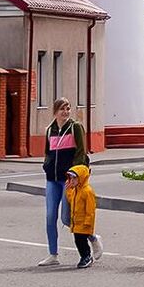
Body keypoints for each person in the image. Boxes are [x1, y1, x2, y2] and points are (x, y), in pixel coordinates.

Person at [40, 98, 87, 267]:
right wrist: (47, 165)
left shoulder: (75, 127)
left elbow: (81, 153)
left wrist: (74, 174)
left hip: (68, 180)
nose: (66, 112)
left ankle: (93, 237)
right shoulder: (49, 130)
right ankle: (53, 254)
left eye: (68, 108)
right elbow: (48, 153)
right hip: (52, 179)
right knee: (50, 216)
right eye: (62, 109)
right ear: (55, 112)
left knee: (67, 218)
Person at [63, 164, 102, 268]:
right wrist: (68, 189)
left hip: (84, 222)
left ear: (81, 177)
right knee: (78, 241)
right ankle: (84, 256)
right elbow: (71, 199)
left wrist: (88, 222)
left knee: (81, 241)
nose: (72, 180)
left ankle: (86, 256)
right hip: (76, 222)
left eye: (74, 178)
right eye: (70, 178)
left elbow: (90, 209)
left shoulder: (87, 191)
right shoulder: (75, 190)